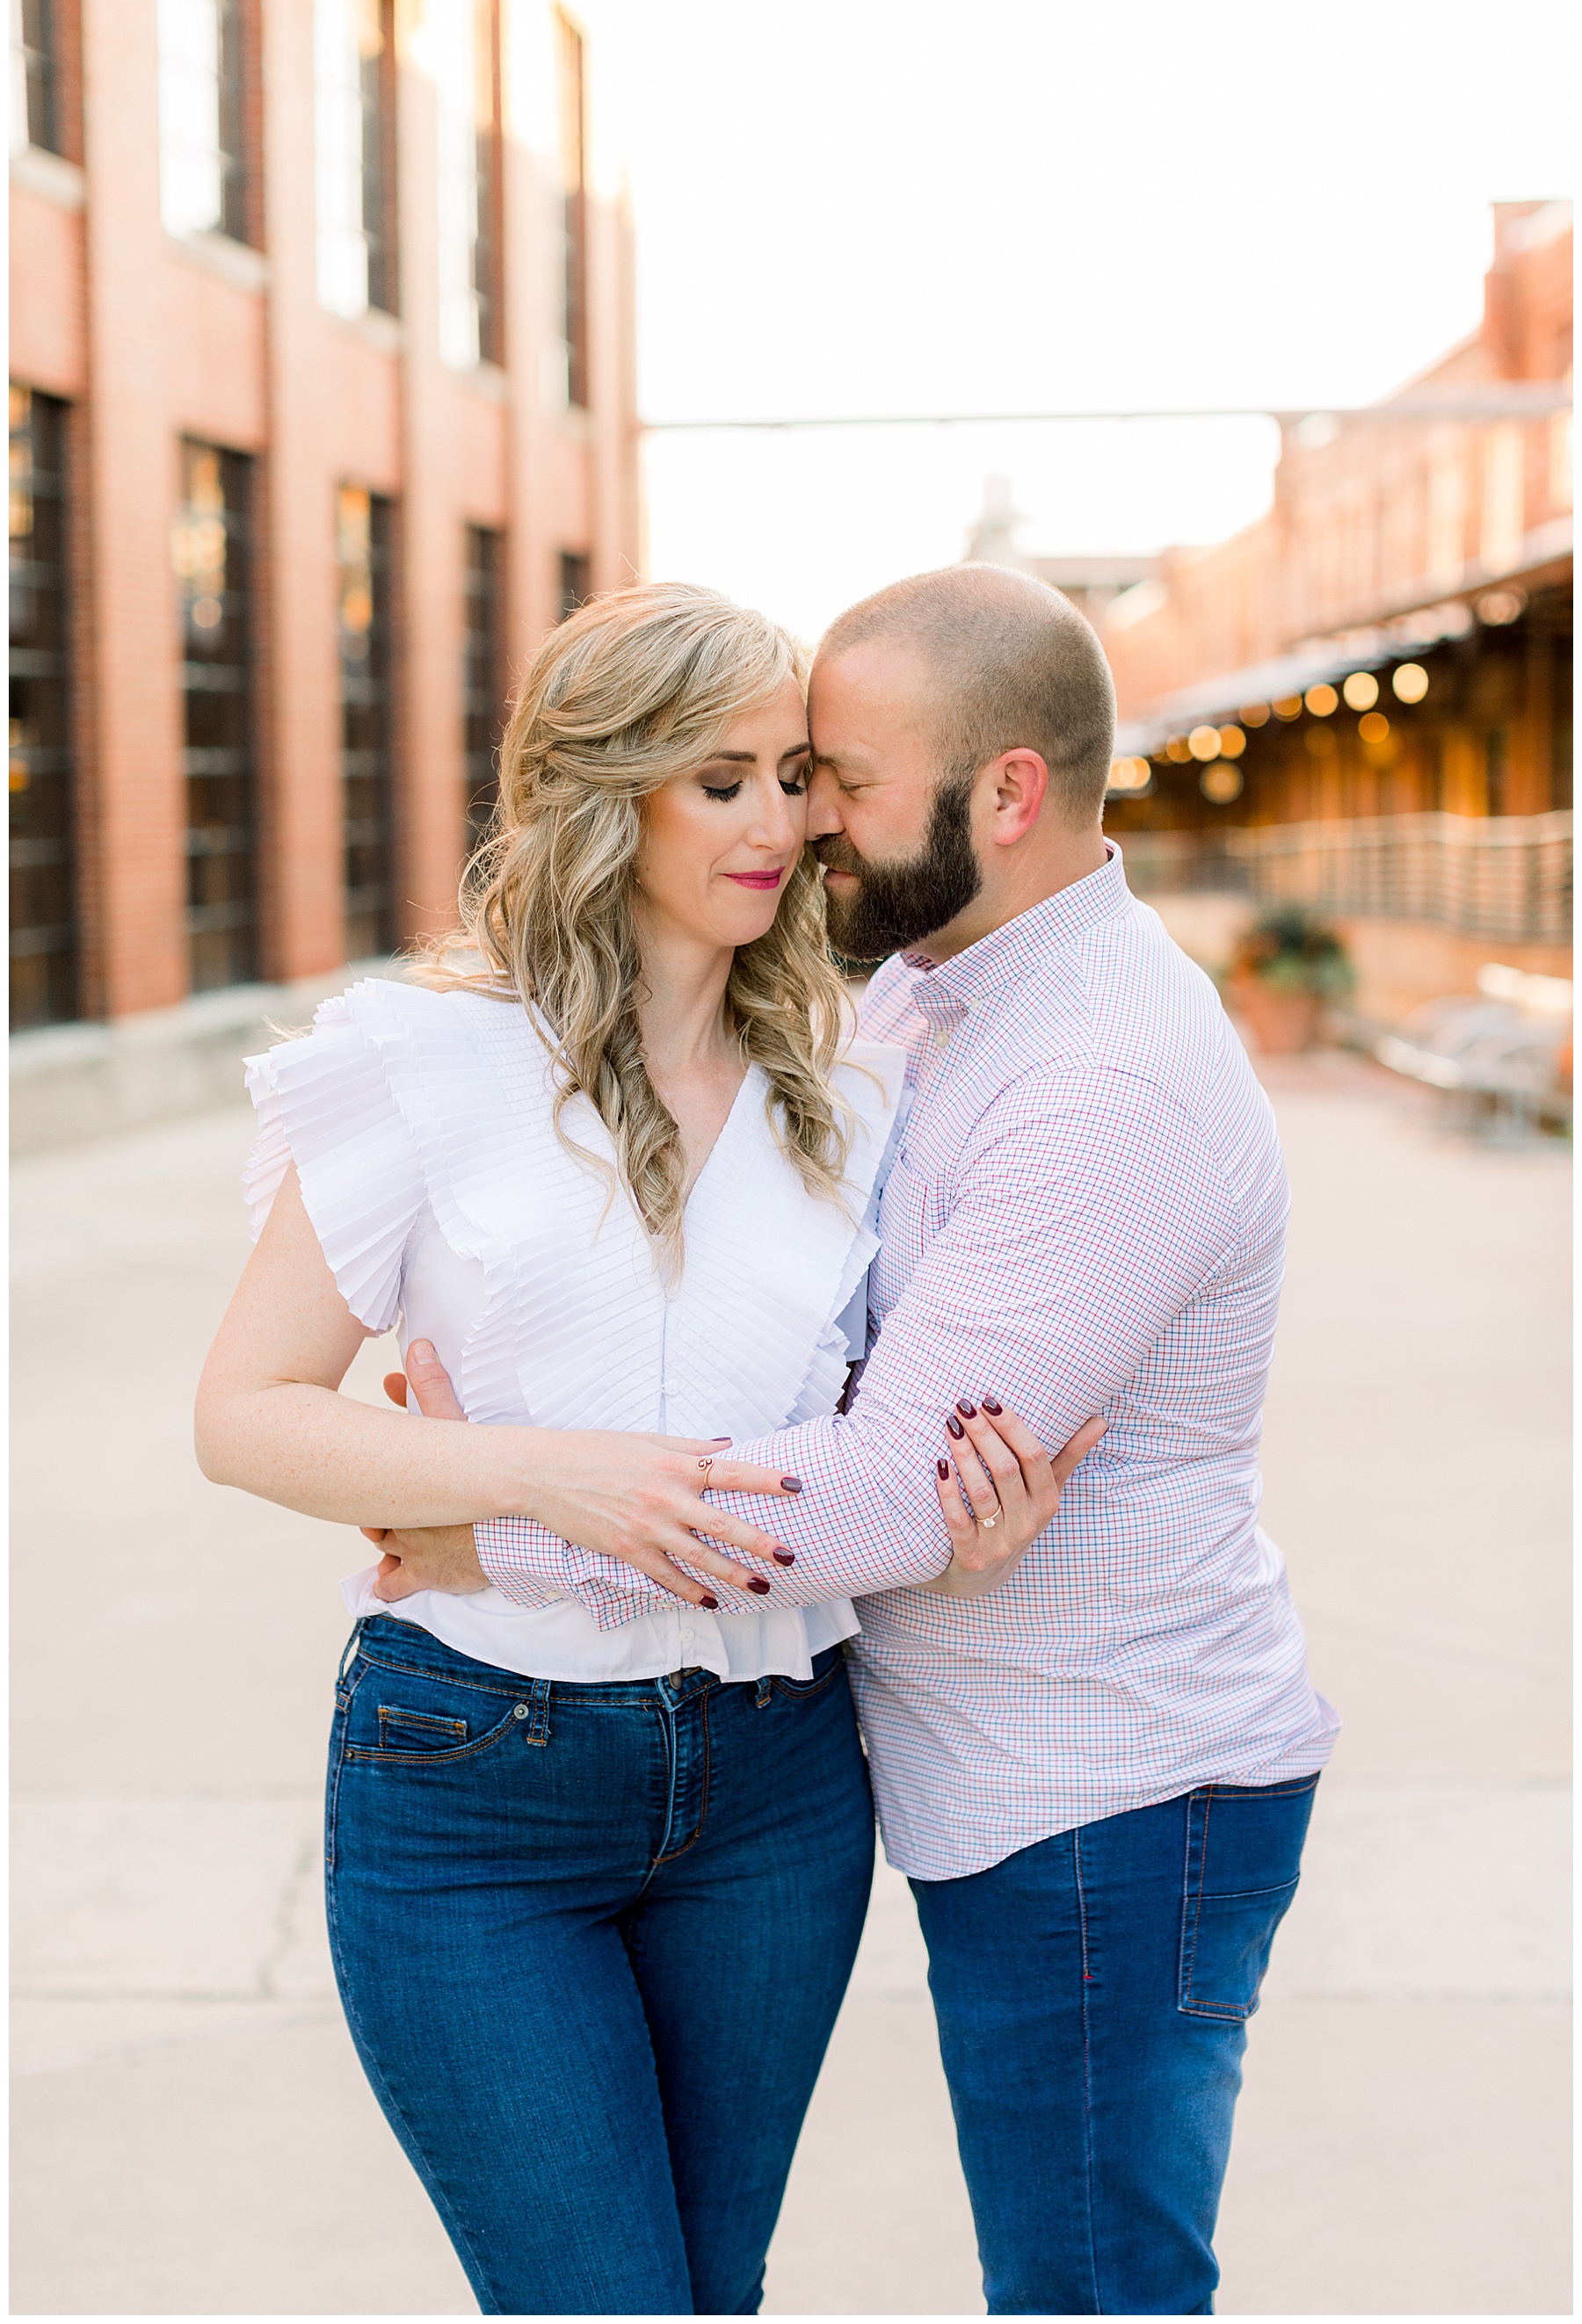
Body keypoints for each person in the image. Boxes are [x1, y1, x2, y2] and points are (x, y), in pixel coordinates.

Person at [377, 563, 1340, 2316]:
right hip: (978, 1765)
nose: (812, 820)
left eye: (845, 778)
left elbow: (895, 1485)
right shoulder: (920, 996)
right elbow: (834, 1374)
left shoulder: (1105, 1077)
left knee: (1094, 2291)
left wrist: (500, 1521)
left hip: (1109, 1785)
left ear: (1009, 796)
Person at [195, 581, 1095, 2320]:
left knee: (709, 2292)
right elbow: (245, 1411)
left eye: (797, 775)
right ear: (607, 796)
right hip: (476, 1786)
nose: (788, 823)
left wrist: (963, 1513)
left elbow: (886, 1438)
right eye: (725, 780)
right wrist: (536, 1480)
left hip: (776, 1787)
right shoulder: (424, 1063)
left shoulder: (855, 1094)